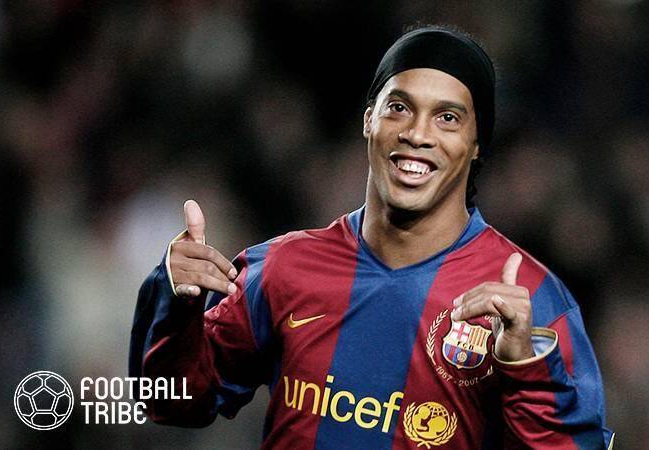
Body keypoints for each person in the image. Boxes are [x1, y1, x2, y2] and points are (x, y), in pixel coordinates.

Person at [130, 26, 615, 449]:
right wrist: (175, 303)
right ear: (369, 120)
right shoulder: (282, 268)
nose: (417, 134)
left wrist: (526, 368)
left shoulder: (530, 301)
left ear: (476, 145)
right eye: (399, 108)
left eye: (447, 117)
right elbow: (169, 402)